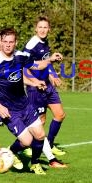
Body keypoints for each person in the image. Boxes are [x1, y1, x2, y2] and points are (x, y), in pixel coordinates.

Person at [0, 28, 63, 175]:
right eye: (5, 42)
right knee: (26, 141)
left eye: (11, 42)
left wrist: (36, 80)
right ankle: (11, 152)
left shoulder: (20, 56)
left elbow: (33, 67)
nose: (7, 45)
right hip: (9, 110)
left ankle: (35, 164)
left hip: (25, 105)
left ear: (15, 43)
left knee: (40, 135)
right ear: (1, 43)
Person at [23, 16, 67, 161]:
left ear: (49, 29)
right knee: (39, 122)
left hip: (47, 86)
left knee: (60, 114)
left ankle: (51, 144)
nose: (42, 30)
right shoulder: (32, 44)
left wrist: (53, 75)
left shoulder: (45, 42)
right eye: (40, 27)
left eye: (45, 27)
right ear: (36, 28)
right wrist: (33, 81)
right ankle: (26, 146)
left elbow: (46, 64)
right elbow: (24, 65)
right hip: (36, 88)